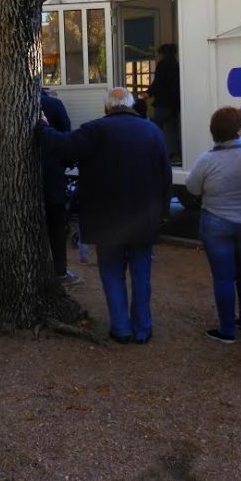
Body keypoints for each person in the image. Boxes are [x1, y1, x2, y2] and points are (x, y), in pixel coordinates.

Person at [38, 87, 171, 344]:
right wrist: (162, 213)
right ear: (131, 105)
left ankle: (121, 328)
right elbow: (165, 176)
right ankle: (143, 329)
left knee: (111, 272)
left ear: (106, 107)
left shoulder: (96, 129)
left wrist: (43, 126)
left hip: (107, 218)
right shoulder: (153, 131)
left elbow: (62, 146)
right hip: (144, 218)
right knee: (142, 274)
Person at [185, 107, 241, 343]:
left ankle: (227, 330)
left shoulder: (207, 159)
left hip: (217, 221)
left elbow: (192, 188)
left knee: (223, 277)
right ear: (240, 129)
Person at [40, 87, 80, 286]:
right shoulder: (54, 104)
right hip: (51, 173)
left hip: (19, 173)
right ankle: (59, 271)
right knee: (56, 224)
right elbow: (66, 136)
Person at [146, 43, 181, 161]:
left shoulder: (163, 65)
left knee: (155, 127)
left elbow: (158, 82)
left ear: (163, 54)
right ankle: (174, 153)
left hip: (163, 102)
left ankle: (157, 152)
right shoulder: (176, 64)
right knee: (172, 128)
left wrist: (148, 93)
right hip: (175, 104)